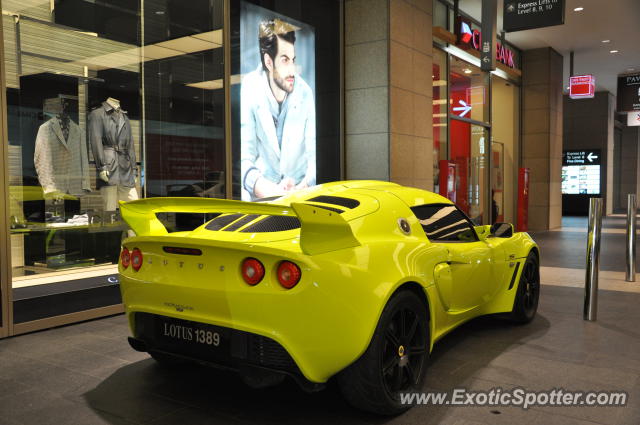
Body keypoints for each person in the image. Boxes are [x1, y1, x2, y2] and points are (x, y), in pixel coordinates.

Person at [241, 18, 316, 200]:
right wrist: (266, 189)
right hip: (262, 200)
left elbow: (314, 158)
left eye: (293, 60)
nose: (292, 70)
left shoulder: (305, 92)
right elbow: (245, 158)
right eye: (284, 60)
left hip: (300, 197)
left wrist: (301, 187)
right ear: (268, 61)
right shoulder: (250, 86)